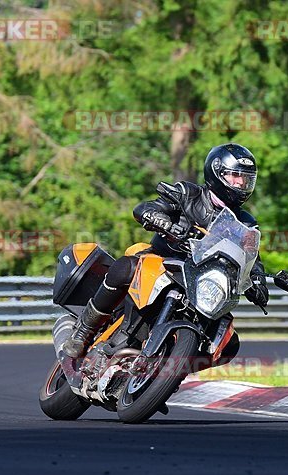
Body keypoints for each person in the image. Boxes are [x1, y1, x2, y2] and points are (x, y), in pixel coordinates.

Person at [63, 143, 270, 359]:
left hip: (201, 279)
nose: (240, 182)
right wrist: (158, 219)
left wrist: (258, 282)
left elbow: (251, 256)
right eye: (234, 175)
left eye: (245, 178)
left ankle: (173, 368)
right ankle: (83, 330)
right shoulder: (188, 193)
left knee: (228, 342)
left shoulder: (245, 222)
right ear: (216, 172)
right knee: (125, 267)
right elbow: (146, 208)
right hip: (163, 260)